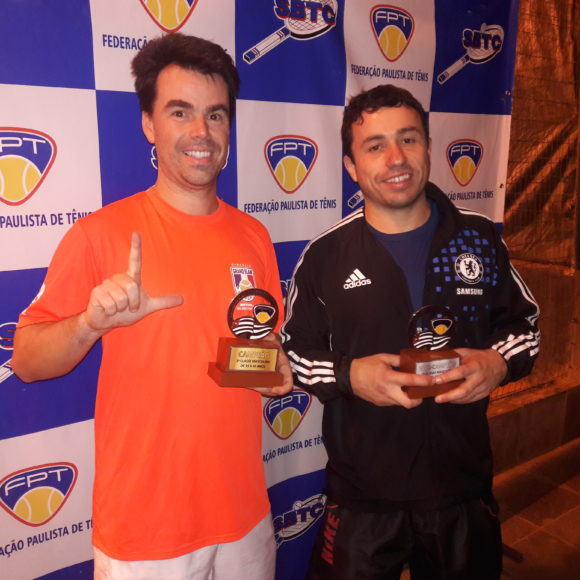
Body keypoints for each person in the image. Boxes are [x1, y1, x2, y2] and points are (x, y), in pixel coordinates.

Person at [12, 33, 292, 580]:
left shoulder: (254, 235)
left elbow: (262, 350)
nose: (200, 132)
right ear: (148, 124)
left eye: (215, 115)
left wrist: (272, 370)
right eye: (180, 112)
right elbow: (25, 360)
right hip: (145, 534)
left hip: (245, 517)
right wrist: (89, 324)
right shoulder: (99, 234)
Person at [280, 84, 540, 579]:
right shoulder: (325, 256)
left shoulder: (478, 237)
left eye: (408, 139)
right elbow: (292, 353)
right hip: (362, 498)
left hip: (462, 489)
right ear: (352, 166)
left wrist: (499, 362)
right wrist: (350, 375)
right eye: (375, 146)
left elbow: (524, 326)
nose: (395, 158)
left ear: (428, 146)